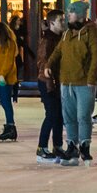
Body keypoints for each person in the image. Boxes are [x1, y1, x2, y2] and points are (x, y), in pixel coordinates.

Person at [45, 1, 97, 166]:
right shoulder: (66, 33)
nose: (68, 16)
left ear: (79, 14)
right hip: (66, 82)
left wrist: (92, 79)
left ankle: (85, 146)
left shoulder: (91, 32)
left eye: (70, 13)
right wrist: (48, 65)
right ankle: (72, 146)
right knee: (69, 117)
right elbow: (58, 51)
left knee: (83, 116)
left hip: (84, 83)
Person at [35, 10, 66, 162]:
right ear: (52, 22)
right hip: (47, 82)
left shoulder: (61, 37)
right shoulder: (47, 40)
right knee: (52, 114)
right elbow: (43, 62)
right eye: (61, 20)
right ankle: (42, 148)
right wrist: (50, 83)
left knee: (59, 115)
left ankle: (58, 146)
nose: (63, 23)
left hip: (58, 82)